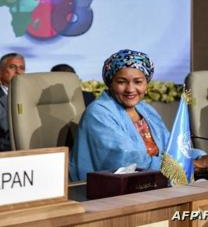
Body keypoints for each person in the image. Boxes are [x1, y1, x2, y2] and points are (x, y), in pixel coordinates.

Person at [69, 49, 206, 181]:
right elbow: (127, 161)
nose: (130, 89)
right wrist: (191, 164)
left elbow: (171, 147)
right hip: (109, 193)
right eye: (122, 82)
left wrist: (200, 156)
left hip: (154, 183)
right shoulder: (97, 112)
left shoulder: (146, 110)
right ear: (110, 83)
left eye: (138, 82)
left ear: (146, 84)